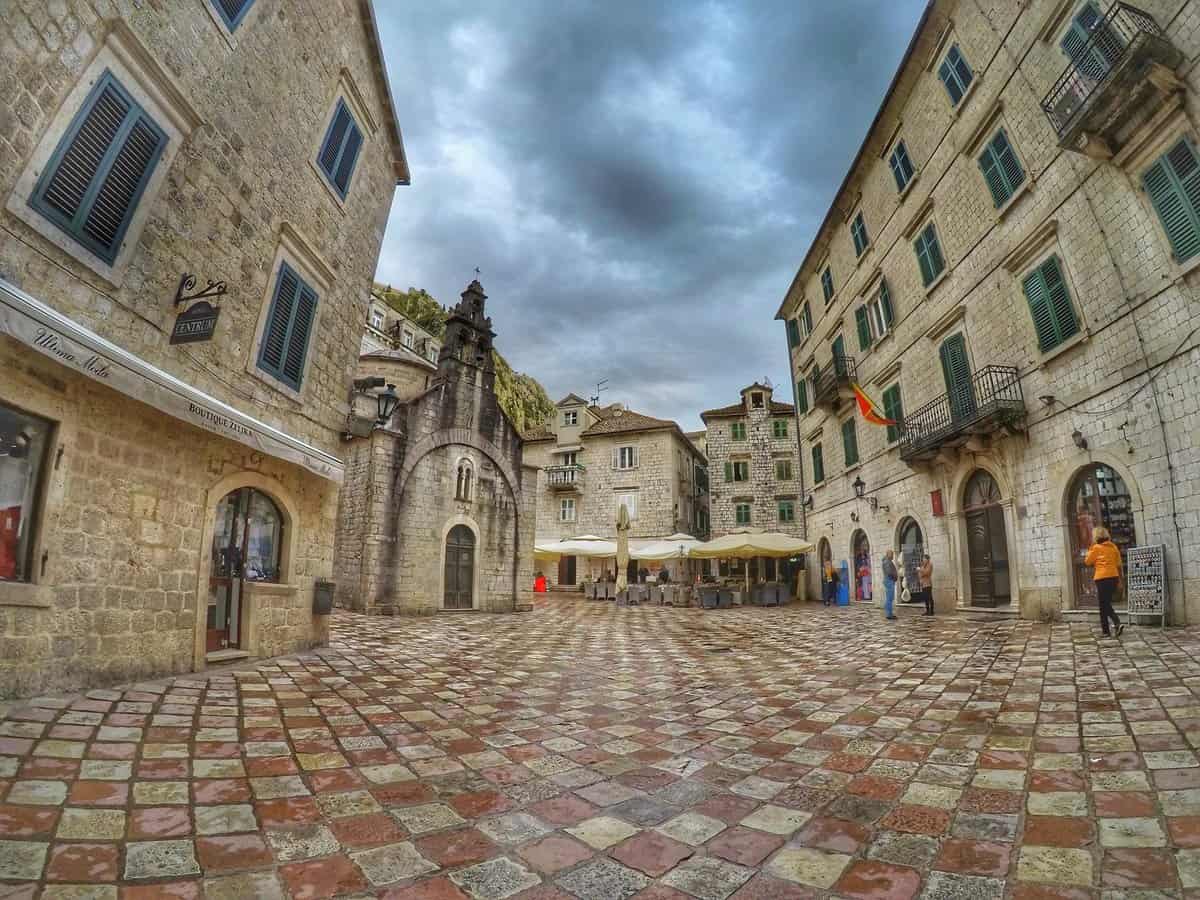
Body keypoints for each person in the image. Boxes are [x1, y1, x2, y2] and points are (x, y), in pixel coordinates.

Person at [1085, 526, 1124, 638]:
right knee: (1105, 603)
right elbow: (1118, 564)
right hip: (1113, 577)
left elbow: (1087, 561)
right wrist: (1120, 580)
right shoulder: (1113, 547)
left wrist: (1090, 549)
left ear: (1095, 536)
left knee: (1103, 605)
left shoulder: (1095, 548)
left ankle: (1109, 628)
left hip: (1102, 578)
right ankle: (1113, 626)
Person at [882, 550, 898, 620]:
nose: (893, 556)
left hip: (889, 580)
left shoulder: (887, 561)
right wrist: (894, 577)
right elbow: (889, 572)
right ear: (888, 555)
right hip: (889, 580)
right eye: (892, 554)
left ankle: (889, 613)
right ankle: (889, 614)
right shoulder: (887, 562)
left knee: (890, 598)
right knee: (889, 598)